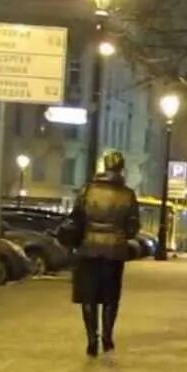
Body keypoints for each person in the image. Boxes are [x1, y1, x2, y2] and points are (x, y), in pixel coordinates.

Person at [71, 151, 140, 357]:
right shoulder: (127, 194)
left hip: (89, 248)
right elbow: (133, 226)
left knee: (89, 297)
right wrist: (120, 234)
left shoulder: (87, 190)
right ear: (121, 168)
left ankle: (91, 341)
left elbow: (76, 218)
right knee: (111, 297)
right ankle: (107, 338)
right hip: (114, 251)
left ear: (104, 166)